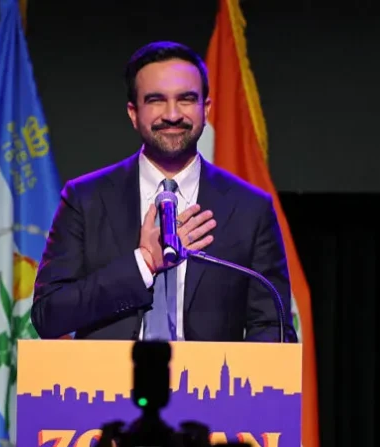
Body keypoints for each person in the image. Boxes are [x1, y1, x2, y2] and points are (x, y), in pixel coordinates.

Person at [31, 41, 295, 343]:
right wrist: (143, 263)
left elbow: (272, 326)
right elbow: (48, 316)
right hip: (106, 387)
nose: (172, 114)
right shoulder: (85, 199)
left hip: (211, 388)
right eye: (156, 100)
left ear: (205, 109)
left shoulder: (250, 208)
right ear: (133, 113)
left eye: (186, 99)